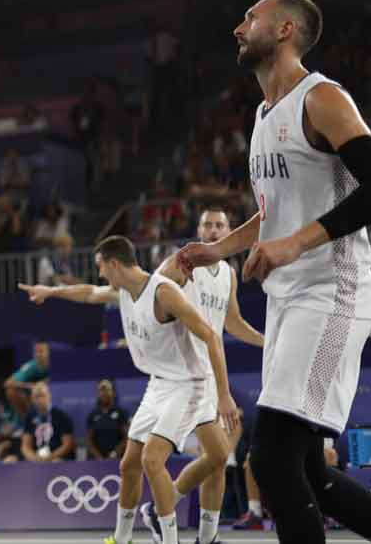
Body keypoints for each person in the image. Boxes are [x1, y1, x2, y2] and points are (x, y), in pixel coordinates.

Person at [177, 0, 371, 543]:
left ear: (284, 31)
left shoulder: (323, 98)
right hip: (290, 297)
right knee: (312, 473)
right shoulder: (265, 117)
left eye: (250, 17)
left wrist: (298, 243)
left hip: (335, 290)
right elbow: (274, 214)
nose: (239, 28)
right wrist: (219, 249)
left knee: (273, 460)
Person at [20, 235, 240, 544]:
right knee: (131, 464)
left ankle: (170, 539)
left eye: (101, 267)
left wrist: (225, 394)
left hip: (188, 385)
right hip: (158, 384)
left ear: (114, 263)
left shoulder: (164, 293)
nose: (100, 275)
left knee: (153, 461)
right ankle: (122, 539)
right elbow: (88, 293)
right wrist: (50, 292)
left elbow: (211, 338)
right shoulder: (122, 291)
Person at [155, 206, 265, 544]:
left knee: (218, 458)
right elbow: (152, 289)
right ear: (199, 231)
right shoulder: (184, 262)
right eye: (208, 226)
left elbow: (232, 323)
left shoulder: (229, 273)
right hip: (182, 374)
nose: (214, 231)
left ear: (230, 231)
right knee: (215, 455)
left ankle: (204, 534)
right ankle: (163, 511)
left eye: (220, 226)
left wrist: (267, 343)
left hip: (209, 372)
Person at [20, 382, 76, 463]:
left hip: (57, 458)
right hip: (36, 458)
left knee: (56, 462)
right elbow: (25, 446)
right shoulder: (29, 417)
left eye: (42, 395)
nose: (39, 400)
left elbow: (68, 444)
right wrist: (34, 458)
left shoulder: (61, 416)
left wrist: (50, 458)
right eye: (36, 397)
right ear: (32, 399)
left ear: (49, 396)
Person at [86, 379, 129, 460]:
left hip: (117, 458)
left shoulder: (121, 413)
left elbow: (126, 437)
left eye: (107, 390)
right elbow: (89, 440)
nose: (104, 393)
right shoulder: (93, 415)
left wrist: (115, 453)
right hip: (97, 459)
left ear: (113, 392)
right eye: (101, 390)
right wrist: (98, 457)